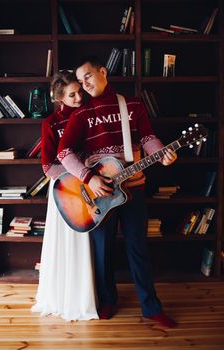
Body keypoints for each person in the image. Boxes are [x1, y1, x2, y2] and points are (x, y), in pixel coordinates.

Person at [57, 57, 177, 327]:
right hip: (99, 194)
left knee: (139, 249)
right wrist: (89, 178)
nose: (84, 84)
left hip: (134, 188)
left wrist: (162, 154)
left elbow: (147, 137)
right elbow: (63, 152)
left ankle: (151, 307)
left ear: (103, 72)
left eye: (87, 76)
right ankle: (107, 300)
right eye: (80, 80)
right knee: (103, 251)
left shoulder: (132, 104)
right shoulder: (81, 114)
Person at [31, 70, 98, 321]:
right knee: (65, 241)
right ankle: (61, 296)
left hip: (92, 185)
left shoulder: (90, 114)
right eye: (72, 95)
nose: (79, 97)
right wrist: (78, 178)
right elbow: (48, 166)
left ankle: (85, 297)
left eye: (80, 91)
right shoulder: (50, 123)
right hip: (65, 188)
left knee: (87, 244)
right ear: (60, 98)